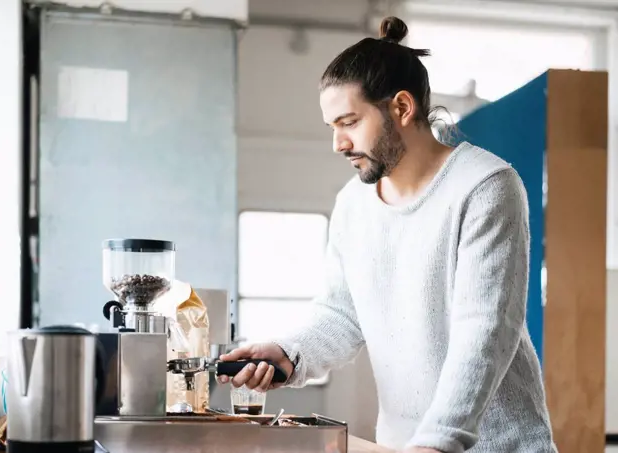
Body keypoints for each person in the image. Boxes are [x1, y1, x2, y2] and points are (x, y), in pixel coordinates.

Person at [218, 16, 557, 453]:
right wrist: (289, 353)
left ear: (401, 107)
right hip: (403, 446)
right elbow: (342, 314)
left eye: (349, 122)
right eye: (332, 127)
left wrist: (435, 443)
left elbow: (486, 331)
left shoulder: (484, 186)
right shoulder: (353, 204)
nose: (338, 143)